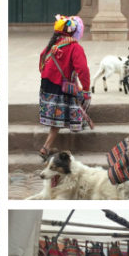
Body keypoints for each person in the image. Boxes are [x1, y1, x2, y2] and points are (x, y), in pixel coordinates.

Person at [38, 15, 91, 156]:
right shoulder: (74, 47)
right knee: (82, 97)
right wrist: (86, 89)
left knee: (56, 114)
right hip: (58, 86)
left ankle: (78, 119)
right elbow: (83, 70)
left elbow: (41, 60)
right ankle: (45, 148)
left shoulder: (53, 45)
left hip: (46, 85)